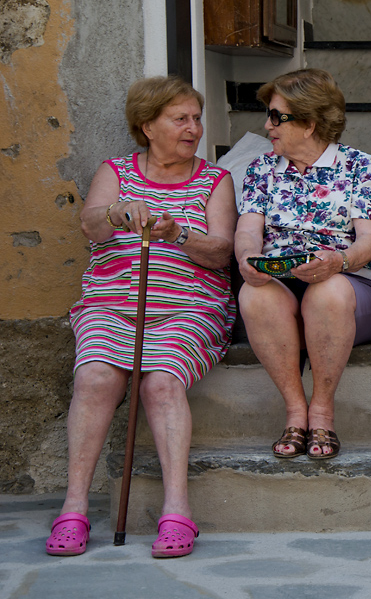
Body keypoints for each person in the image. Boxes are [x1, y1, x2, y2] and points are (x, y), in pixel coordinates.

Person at [47, 76, 237, 558]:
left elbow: (221, 252)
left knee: (160, 382)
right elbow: (89, 223)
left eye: (196, 118)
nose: (193, 128)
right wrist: (116, 212)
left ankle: (178, 512)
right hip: (112, 304)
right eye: (181, 119)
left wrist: (178, 233)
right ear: (148, 126)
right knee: (94, 376)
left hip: (190, 307)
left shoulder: (215, 179)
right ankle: (74, 509)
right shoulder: (115, 171)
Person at [235, 69, 371, 461]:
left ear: (308, 124)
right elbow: (249, 228)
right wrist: (247, 258)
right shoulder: (261, 169)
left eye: (276, 117)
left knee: (330, 289)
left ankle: (322, 412)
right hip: (284, 284)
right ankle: (295, 410)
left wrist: (338, 260)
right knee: (254, 295)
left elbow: (370, 241)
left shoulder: (358, 165)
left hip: (350, 287)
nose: (267, 125)